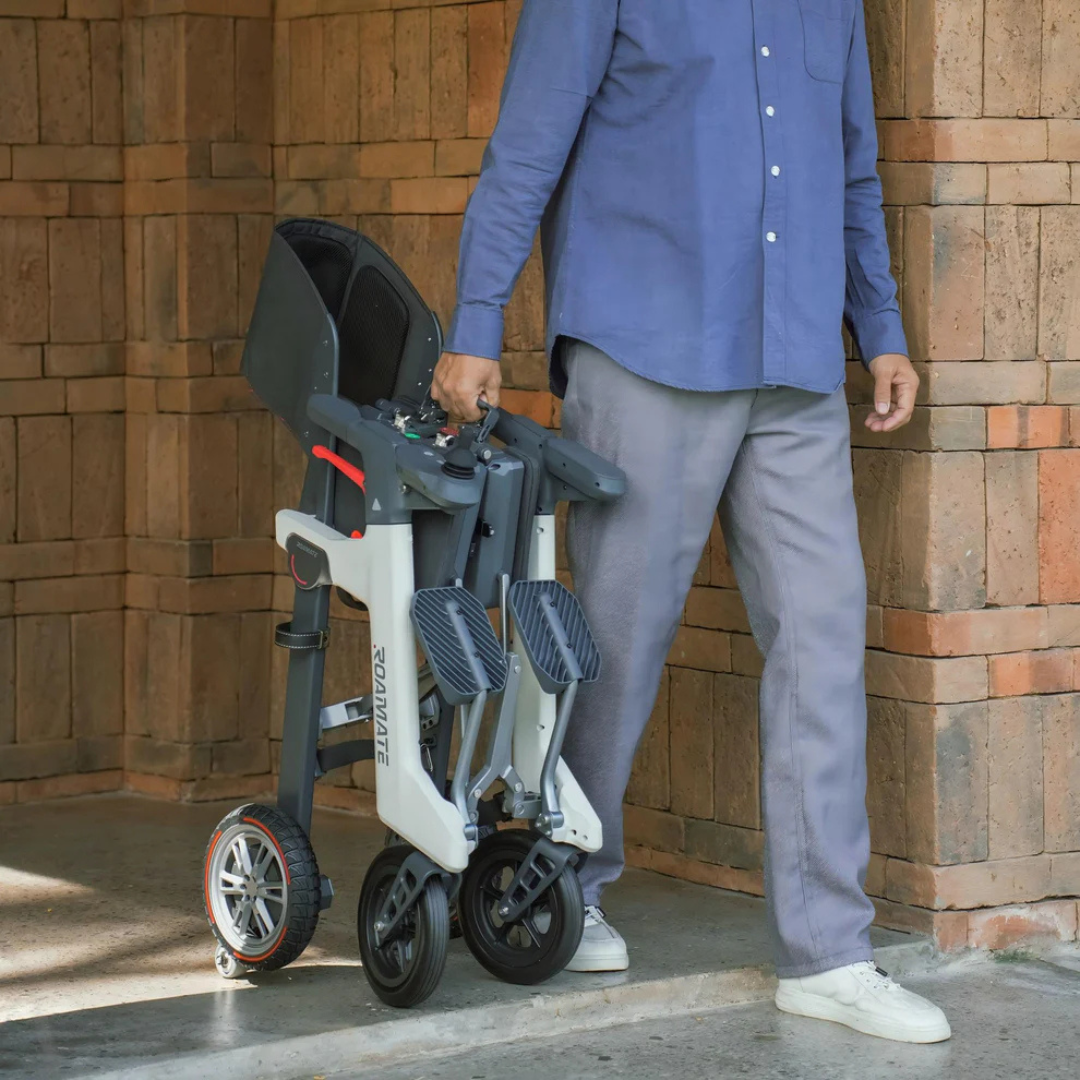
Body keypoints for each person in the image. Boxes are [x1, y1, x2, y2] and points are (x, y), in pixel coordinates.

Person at [430, 0, 951, 1045]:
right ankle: (558, 888)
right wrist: (476, 322)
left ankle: (829, 952)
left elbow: (853, 166)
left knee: (820, 638)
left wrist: (880, 324)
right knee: (614, 640)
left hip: (795, 357)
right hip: (645, 340)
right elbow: (526, 147)